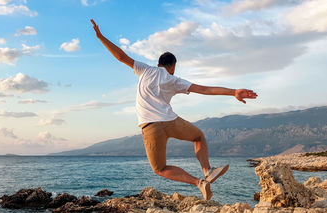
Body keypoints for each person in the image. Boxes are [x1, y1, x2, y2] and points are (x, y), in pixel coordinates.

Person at [90, 19, 257, 200]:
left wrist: (100, 37)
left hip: (150, 126)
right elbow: (204, 89)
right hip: (170, 120)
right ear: (173, 66)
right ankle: (208, 171)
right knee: (198, 137)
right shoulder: (174, 79)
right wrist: (233, 92)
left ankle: (199, 183)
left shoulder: (144, 70)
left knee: (160, 169)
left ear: (159, 63)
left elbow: (121, 57)